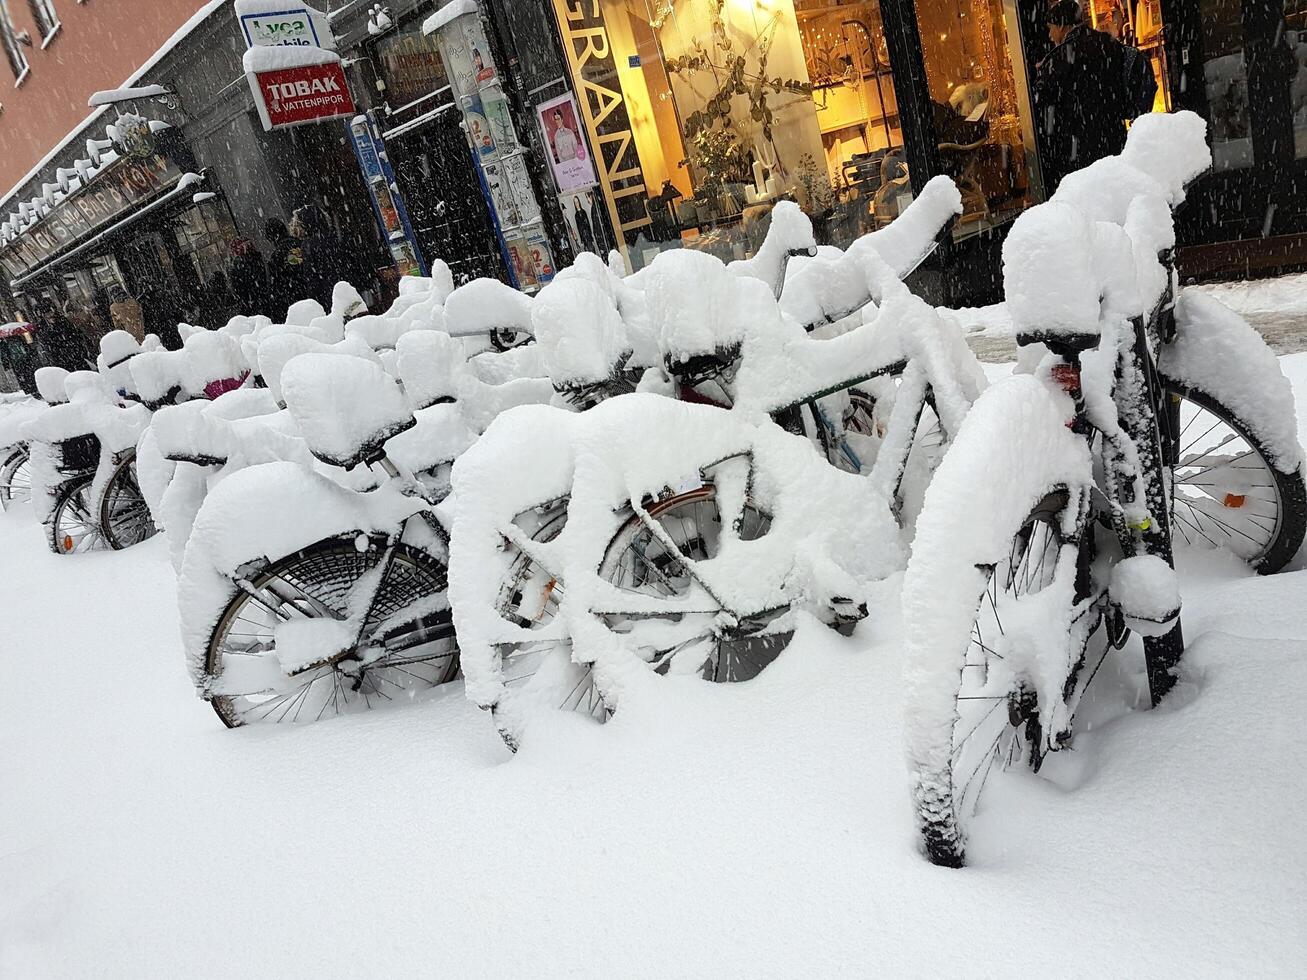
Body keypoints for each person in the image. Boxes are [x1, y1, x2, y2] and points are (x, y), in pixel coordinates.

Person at [1034, 0, 1151, 193]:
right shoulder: (1110, 44)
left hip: (1080, 147)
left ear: (1062, 25)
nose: (1050, 34)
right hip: (1115, 136)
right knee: (1119, 190)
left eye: (1051, 28)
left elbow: (1043, 103)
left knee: (1094, 198)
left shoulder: (1059, 58)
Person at [265, 217, 307, 320]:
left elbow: (276, 286)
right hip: (309, 294)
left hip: (294, 302)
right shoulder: (301, 244)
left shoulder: (277, 255)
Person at [35, 302, 94, 372]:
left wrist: (82, 349)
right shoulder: (43, 329)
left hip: (76, 355)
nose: (51, 315)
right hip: (63, 361)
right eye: (47, 314)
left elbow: (77, 334)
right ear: (43, 316)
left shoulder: (62, 321)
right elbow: (48, 347)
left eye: (51, 313)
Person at [228, 237, 268, 316]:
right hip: (267, 302)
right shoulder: (260, 259)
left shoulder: (237, 266)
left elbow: (238, 290)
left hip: (251, 307)